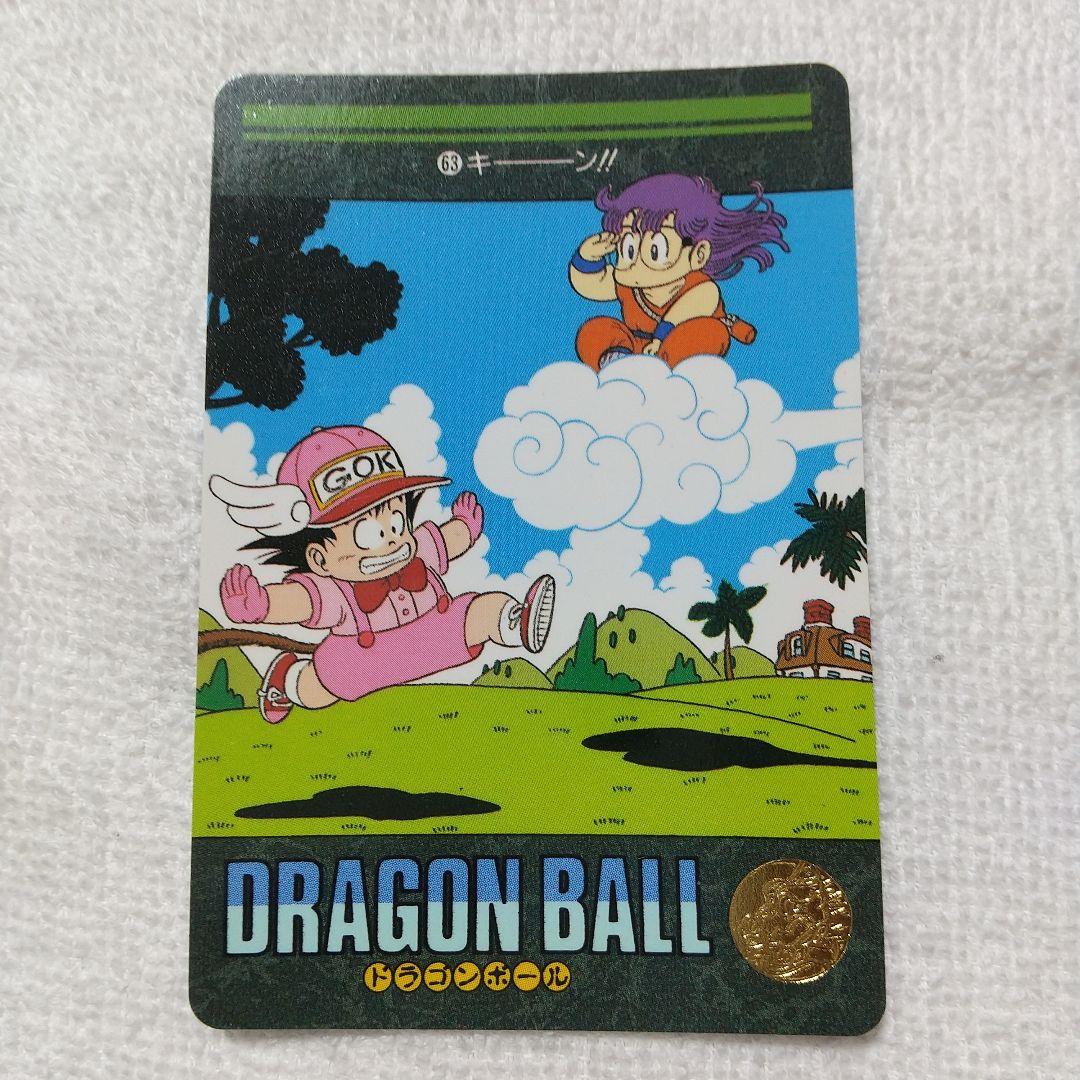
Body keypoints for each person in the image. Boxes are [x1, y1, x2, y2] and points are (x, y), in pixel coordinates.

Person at [209, 424, 555, 723]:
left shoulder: (415, 552)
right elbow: (303, 601)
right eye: (368, 534)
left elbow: (444, 542)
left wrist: (464, 527)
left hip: (439, 632)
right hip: (362, 661)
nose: (391, 539)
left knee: (481, 609)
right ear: (320, 559)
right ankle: (287, 679)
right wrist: (262, 605)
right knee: (317, 690)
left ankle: (515, 621)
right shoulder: (336, 591)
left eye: (396, 522)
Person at [569, 174, 788, 370]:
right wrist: (587, 257)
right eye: (628, 249)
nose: (636, 264)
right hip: (636, 352)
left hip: (675, 352)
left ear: (698, 254)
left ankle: (670, 376)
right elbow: (593, 284)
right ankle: (618, 367)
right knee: (595, 329)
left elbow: (682, 311)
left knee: (710, 333)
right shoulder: (629, 284)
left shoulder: (702, 288)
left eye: (655, 251)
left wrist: (660, 340)